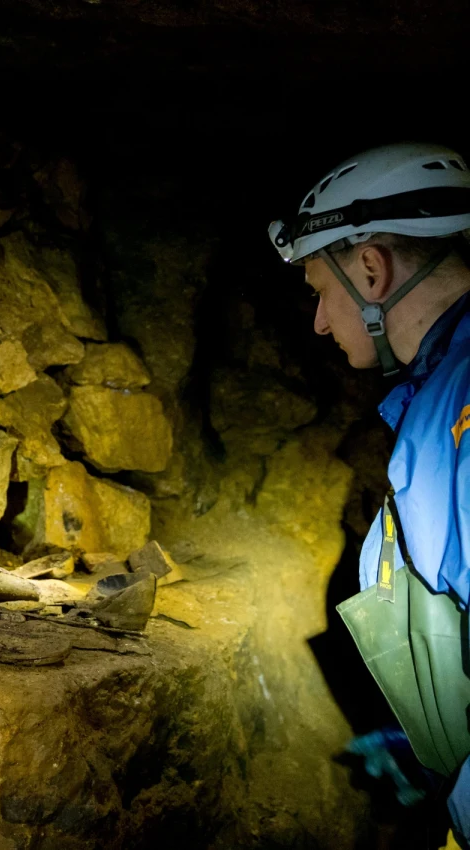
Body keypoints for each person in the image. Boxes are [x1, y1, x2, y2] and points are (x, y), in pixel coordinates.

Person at [268, 141, 470, 845]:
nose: (321, 322)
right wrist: (426, 742)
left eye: (321, 290)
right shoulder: (440, 392)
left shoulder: (464, 403)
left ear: (371, 269)